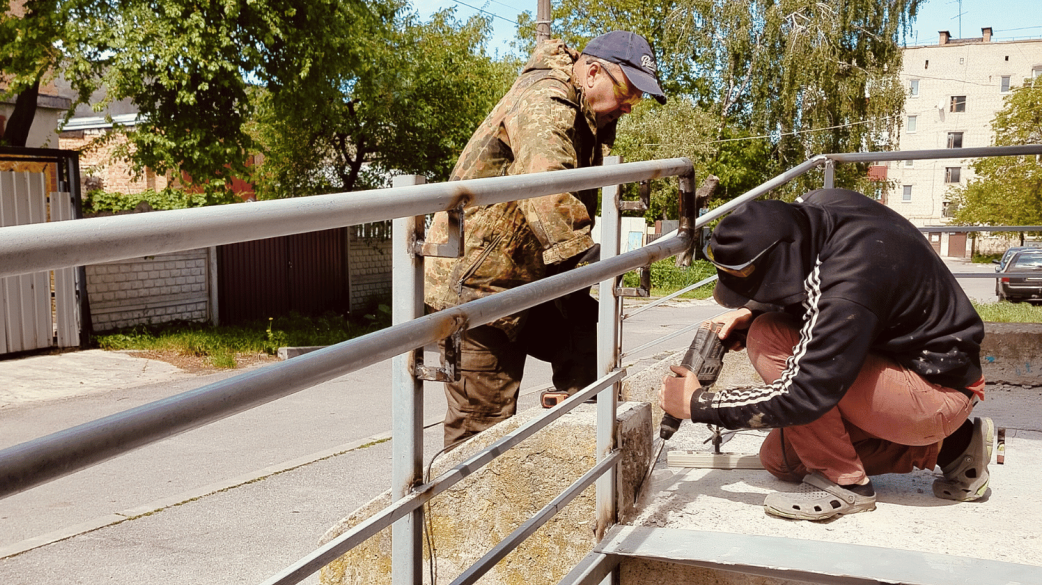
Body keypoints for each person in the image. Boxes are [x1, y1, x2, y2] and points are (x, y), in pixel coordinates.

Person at [660, 188, 994, 521]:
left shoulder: (852, 278)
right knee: (782, 462)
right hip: (898, 367)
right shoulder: (814, 212)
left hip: (934, 390)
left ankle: (845, 485)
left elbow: (804, 393)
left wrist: (699, 405)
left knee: (768, 336)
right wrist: (753, 309)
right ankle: (957, 447)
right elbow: (812, 285)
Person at [424, 31, 667, 447]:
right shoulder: (546, 100)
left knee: (587, 349)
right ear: (592, 73)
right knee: (482, 423)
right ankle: (459, 507)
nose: (629, 106)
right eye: (627, 91)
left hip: (529, 273)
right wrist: (592, 262)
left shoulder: (584, 111)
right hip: (478, 285)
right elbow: (545, 184)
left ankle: (574, 458)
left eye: (638, 99)